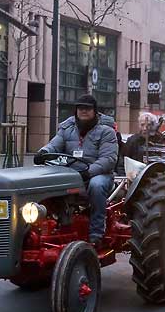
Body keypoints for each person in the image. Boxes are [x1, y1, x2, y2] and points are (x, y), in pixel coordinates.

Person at [35, 94, 118, 244]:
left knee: (97, 186)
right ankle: (51, 226)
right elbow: (54, 144)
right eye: (80, 108)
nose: (83, 111)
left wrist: (88, 172)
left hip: (98, 174)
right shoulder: (67, 128)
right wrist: (43, 152)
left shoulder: (106, 132)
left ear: (95, 111)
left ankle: (96, 232)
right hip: (71, 174)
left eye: (87, 108)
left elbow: (108, 159)